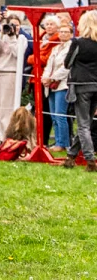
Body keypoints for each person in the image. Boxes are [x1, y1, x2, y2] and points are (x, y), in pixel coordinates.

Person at [63, 11, 97, 171]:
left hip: (81, 85)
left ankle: (90, 160)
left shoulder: (78, 42)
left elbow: (67, 63)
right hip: (96, 85)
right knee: (87, 123)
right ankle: (70, 157)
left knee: (83, 125)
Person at [0, 11, 28, 140]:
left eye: (16, 25)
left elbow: (18, 54)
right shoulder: (0, 36)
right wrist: (0, 34)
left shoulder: (21, 39)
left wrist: (12, 37)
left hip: (10, 72)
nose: (12, 27)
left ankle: (5, 136)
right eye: (10, 25)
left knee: (6, 108)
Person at [42, 19, 73, 150]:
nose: (63, 34)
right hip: (51, 86)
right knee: (54, 115)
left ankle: (63, 143)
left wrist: (52, 78)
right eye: (61, 32)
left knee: (61, 115)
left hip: (63, 85)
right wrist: (45, 77)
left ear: (71, 34)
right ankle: (58, 141)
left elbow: (67, 67)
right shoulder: (55, 48)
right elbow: (49, 65)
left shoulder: (71, 48)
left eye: (66, 32)